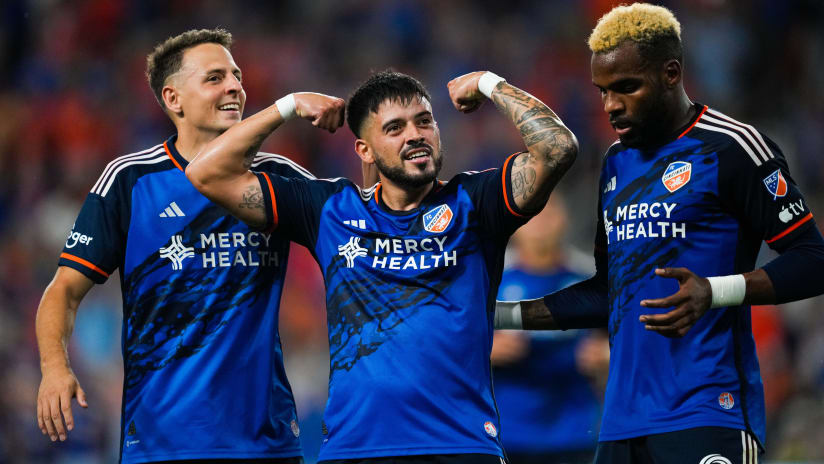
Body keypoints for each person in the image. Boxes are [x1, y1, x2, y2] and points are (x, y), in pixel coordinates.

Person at [185, 69, 578, 463]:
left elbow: (557, 148)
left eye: (424, 122)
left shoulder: (476, 202)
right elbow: (206, 173)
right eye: (394, 128)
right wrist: (287, 106)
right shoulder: (330, 210)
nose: (414, 135)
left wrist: (491, 84)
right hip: (354, 449)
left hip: (461, 446)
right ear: (364, 151)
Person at [494, 3, 824, 463]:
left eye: (626, 88)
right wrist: (493, 315)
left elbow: (813, 261)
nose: (610, 105)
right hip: (621, 422)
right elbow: (609, 294)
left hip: (709, 409)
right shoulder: (615, 162)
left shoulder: (732, 147)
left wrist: (714, 290)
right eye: (603, 91)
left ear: (671, 73)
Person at [35, 28, 333, 464]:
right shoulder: (131, 180)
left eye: (236, 76)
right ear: (174, 99)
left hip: (266, 443)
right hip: (162, 443)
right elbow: (63, 289)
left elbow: (361, 228)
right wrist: (54, 367)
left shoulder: (279, 177)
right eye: (215, 78)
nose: (235, 86)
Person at [491, 197, 608, 464]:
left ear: (564, 218)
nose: (542, 221)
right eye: (534, 213)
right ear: (515, 224)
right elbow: (448, 346)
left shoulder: (590, 277)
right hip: (508, 433)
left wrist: (605, 354)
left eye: (550, 210)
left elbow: (627, 340)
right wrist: (486, 350)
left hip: (574, 431)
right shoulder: (491, 279)